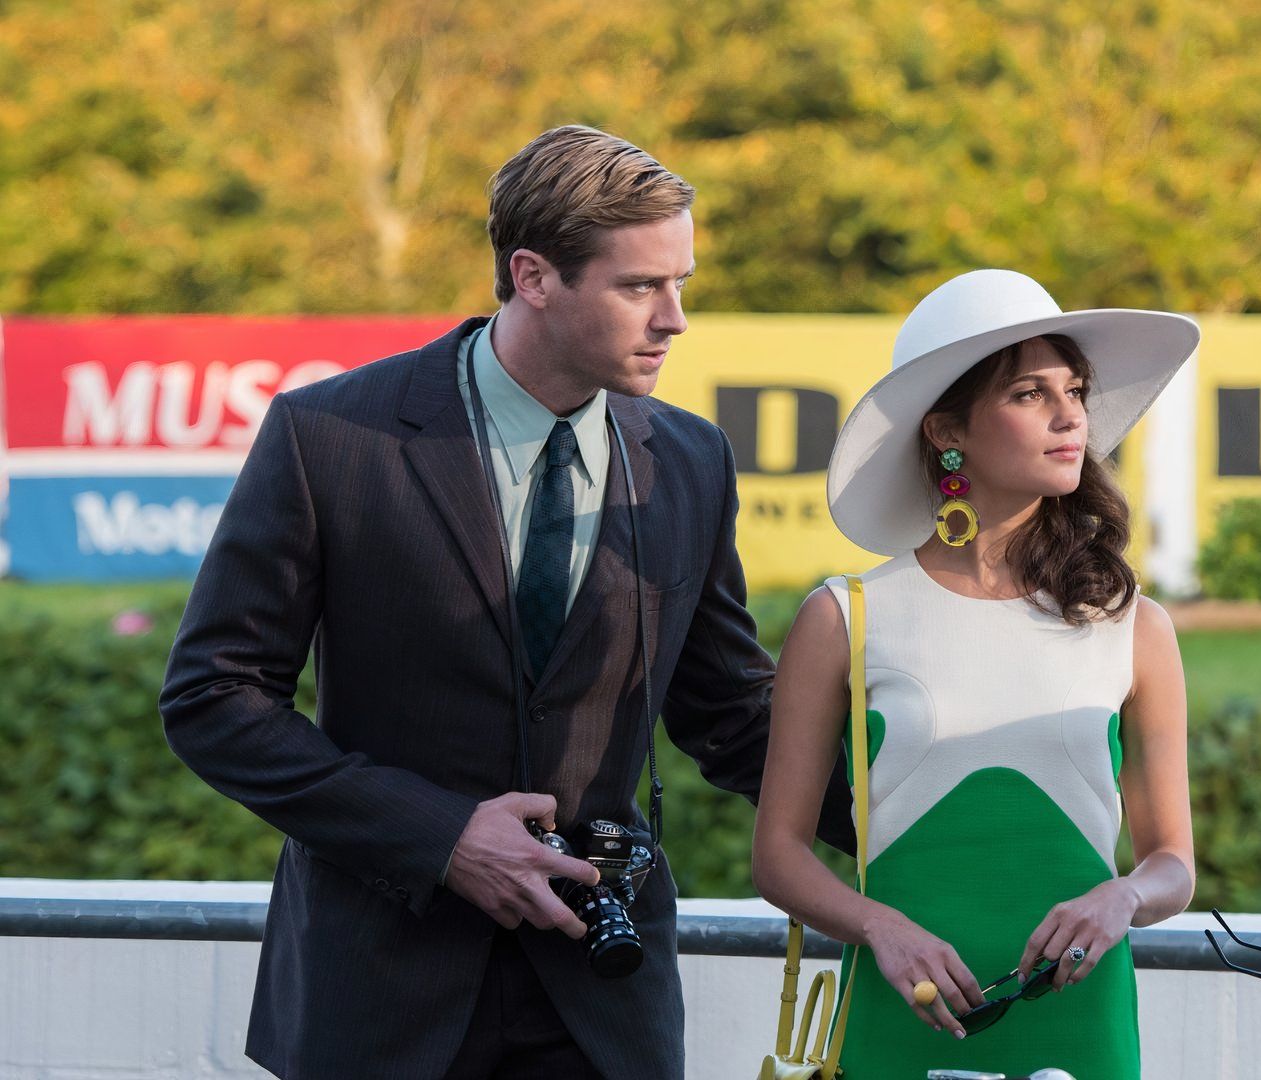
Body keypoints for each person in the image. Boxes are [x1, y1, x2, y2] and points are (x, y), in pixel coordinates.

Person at [160, 125, 851, 1080]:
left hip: (603, 1005)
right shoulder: (331, 434)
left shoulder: (694, 461)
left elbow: (730, 715)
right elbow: (214, 697)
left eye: (682, 282)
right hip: (378, 998)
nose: (676, 318)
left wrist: (936, 834)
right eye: (641, 286)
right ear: (532, 275)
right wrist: (441, 839)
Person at [750, 270, 1199, 1078]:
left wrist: (1122, 896)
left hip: (1081, 1020)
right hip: (901, 1016)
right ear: (946, 429)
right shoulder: (843, 617)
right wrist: (879, 926)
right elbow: (776, 855)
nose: (1070, 416)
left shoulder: (1134, 626)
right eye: (1030, 393)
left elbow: (1173, 861)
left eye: (1075, 389)